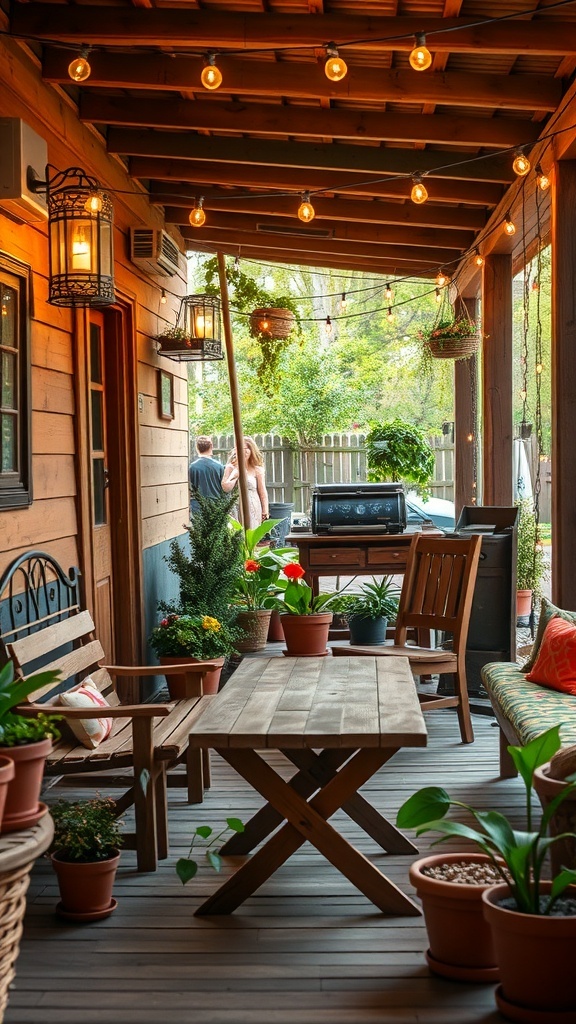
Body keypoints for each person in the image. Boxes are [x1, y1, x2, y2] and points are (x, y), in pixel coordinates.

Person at [222, 436, 269, 528]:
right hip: (236, 506)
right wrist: (235, 475)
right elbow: (226, 488)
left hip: (253, 506)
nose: (244, 452)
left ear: (251, 451)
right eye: (241, 449)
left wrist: (265, 510)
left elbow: (262, 492)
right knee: (237, 532)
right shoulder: (230, 467)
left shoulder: (257, 470)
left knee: (252, 531)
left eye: (246, 449)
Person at [189, 436, 224, 514]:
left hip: (197, 508)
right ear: (211, 446)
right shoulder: (219, 466)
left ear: (197, 448)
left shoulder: (192, 467)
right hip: (216, 506)